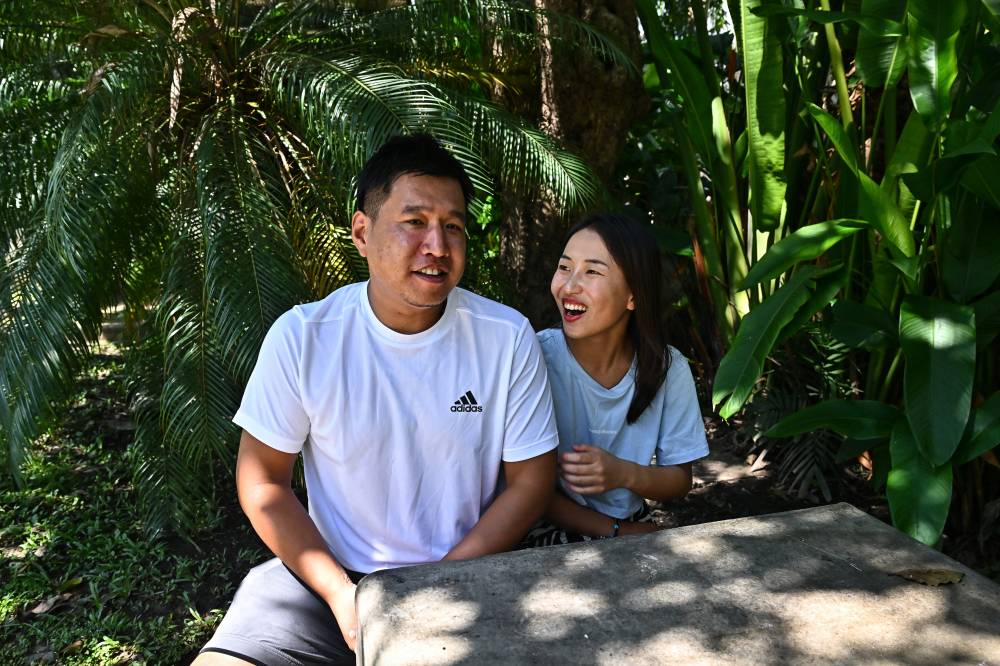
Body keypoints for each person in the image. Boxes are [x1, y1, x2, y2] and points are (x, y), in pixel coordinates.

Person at [194, 134, 558, 666]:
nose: (437, 245)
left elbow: (531, 481)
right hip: (326, 581)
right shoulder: (304, 337)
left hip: (467, 576)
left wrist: (440, 585)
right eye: (415, 222)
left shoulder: (504, 338)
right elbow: (261, 479)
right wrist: (344, 596)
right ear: (362, 233)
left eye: (453, 226)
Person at [525, 213, 708, 547]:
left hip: (630, 524)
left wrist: (622, 473)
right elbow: (523, 488)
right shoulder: (533, 358)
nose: (569, 285)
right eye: (565, 267)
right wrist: (615, 531)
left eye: (592, 271)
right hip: (541, 524)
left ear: (633, 295)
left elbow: (680, 481)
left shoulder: (669, 368)